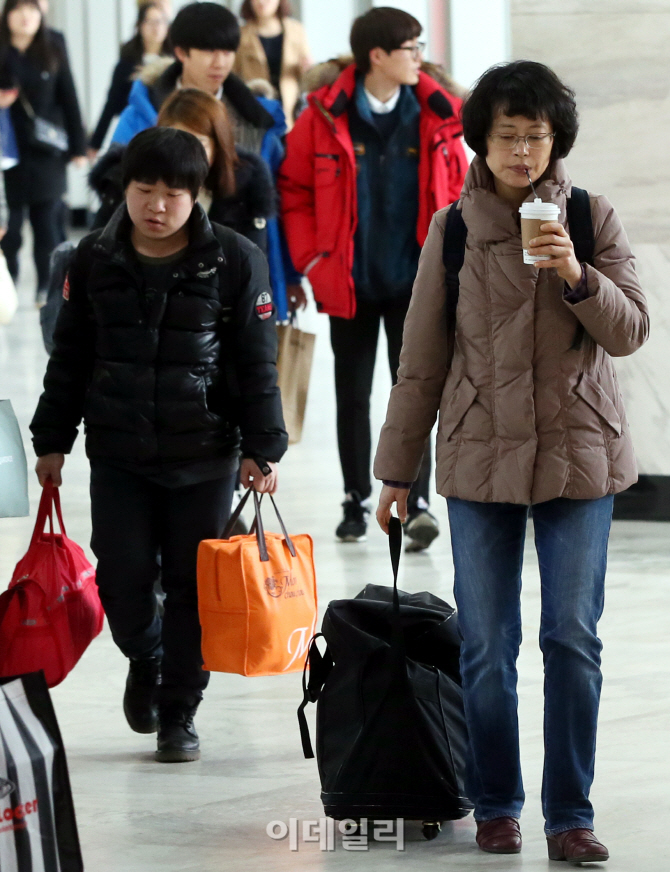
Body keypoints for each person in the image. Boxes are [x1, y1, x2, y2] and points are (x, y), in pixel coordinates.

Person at [374, 60, 649, 861]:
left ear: (556, 139)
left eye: (537, 136)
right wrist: (396, 474)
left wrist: (574, 273)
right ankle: (496, 802)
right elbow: (420, 360)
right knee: (486, 644)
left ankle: (571, 816)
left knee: (571, 636)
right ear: (481, 144)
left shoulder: (592, 219)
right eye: (508, 137)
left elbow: (630, 331)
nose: (524, 152)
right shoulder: (451, 231)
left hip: (578, 453)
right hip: (478, 450)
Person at [30, 127, 287, 763]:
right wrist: (52, 440)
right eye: (145, 190)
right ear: (125, 189)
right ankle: (144, 656)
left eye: (174, 193)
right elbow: (71, 355)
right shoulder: (92, 256)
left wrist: (263, 446)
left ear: (196, 195)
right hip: (117, 452)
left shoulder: (233, 258)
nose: (158, 205)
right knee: (120, 582)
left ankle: (179, 710)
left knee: (192, 586)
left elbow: (256, 363)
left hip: (205, 453)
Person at [278, 6, 467, 548]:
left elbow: (456, 193)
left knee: (417, 390)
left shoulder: (435, 115)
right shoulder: (324, 115)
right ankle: (356, 499)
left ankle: (419, 500)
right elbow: (293, 190)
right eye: (411, 49)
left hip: (416, 283)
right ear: (377, 56)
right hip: (350, 282)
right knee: (352, 394)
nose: (420, 58)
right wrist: (312, 260)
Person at [111, 0, 301, 321]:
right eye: (210, 51)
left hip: (238, 272)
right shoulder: (143, 113)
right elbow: (117, 194)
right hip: (159, 271)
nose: (221, 62)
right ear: (182, 52)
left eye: (228, 51)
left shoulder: (256, 119)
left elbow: (276, 204)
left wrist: (291, 277)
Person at [0, 0, 86, 305]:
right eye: (18, 9)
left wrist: (78, 146)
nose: (26, 16)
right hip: (7, 152)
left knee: (48, 224)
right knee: (9, 228)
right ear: (7, 13)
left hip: (47, 151)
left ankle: (48, 289)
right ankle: (6, 286)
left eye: (32, 9)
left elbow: (68, 95)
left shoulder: (53, 44)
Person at [88, 2, 171, 160]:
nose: (157, 27)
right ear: (140, 25)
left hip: (166, 133)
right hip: (135, 131)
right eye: (150, 22)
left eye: (161, 21)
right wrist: (95, 143)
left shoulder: (173, 62)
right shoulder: (127, 63)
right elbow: (111, 103)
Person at [234, 0, 311, 129]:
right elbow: (234, 77)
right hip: (255, 111)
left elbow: (306, 74)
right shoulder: (240, 35)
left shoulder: (296, 30)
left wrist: (306, 69)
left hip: (290, 111)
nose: (261, 2)